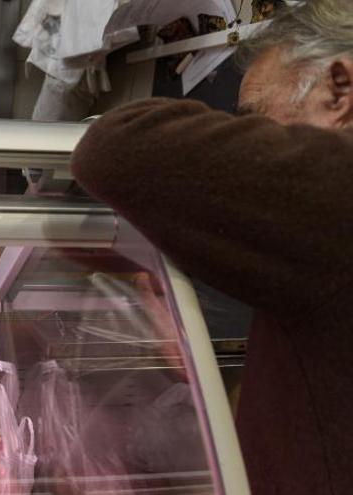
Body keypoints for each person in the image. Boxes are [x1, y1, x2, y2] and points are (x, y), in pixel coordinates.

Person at [70, 1, 352, 494]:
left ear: (340, 90)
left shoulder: (337, 186)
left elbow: (111, 147)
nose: (254, 140)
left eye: (256, 121)